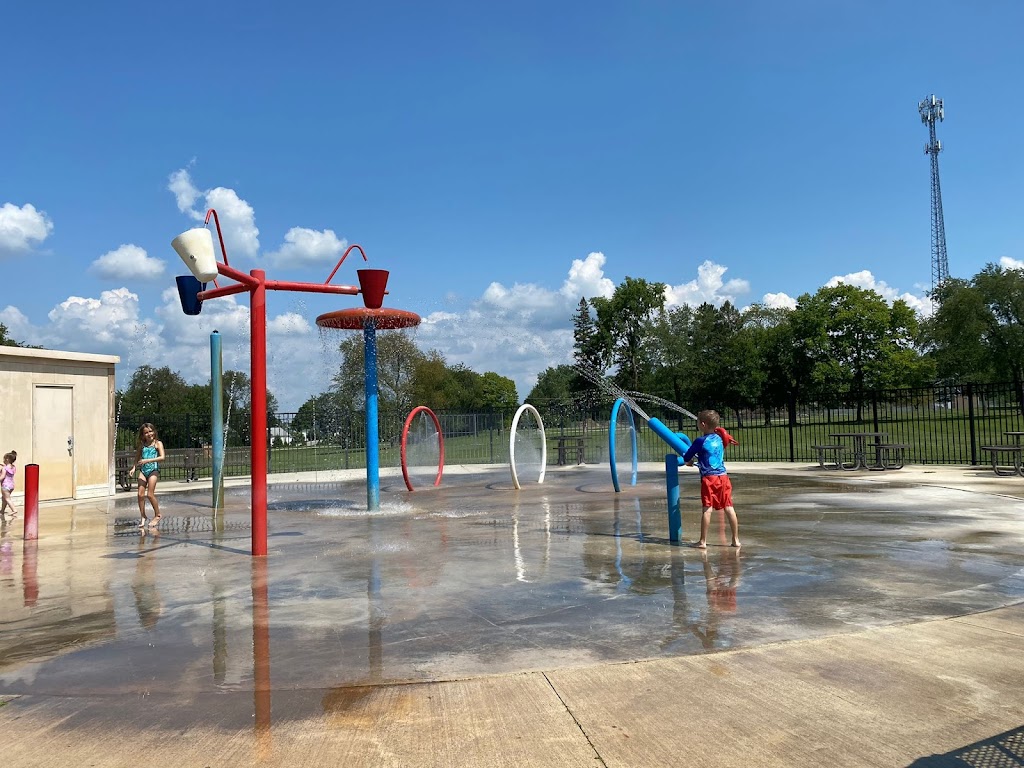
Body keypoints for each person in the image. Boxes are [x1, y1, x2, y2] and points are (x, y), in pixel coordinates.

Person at [682, 410, 740, 548]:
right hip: (723, 477)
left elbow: (686, 457)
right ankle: (736, 540)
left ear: (702, 424)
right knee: (728, 507)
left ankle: (702, 541)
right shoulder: (720, 438)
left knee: (707, 508)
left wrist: (688, 462)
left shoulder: (700, 441)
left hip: (709, 479)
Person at [134, 424, 165, 529]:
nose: (149, 434)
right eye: (146, 432)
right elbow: (137, 457)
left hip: (153, 470)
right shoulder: (142, 445)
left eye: (150, 431)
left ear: (154, 432)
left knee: (150, 494)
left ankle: (158, 514)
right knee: (140, 494)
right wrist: (133, 467)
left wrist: (148, 460)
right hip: (143, 470)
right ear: (143, 435)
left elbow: (162, 457)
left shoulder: (157, 443)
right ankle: (143, 515)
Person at [1, 450, 17, 518]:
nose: (3, 460)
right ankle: (2, 510)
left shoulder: (4, 468)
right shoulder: (13, 467)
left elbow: (3, 477)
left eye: (4, 459)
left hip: (5, 486)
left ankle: (14, 510)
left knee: (7, 498)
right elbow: (9, 469)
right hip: (11, 486)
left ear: (7, 459)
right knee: (4, 498)